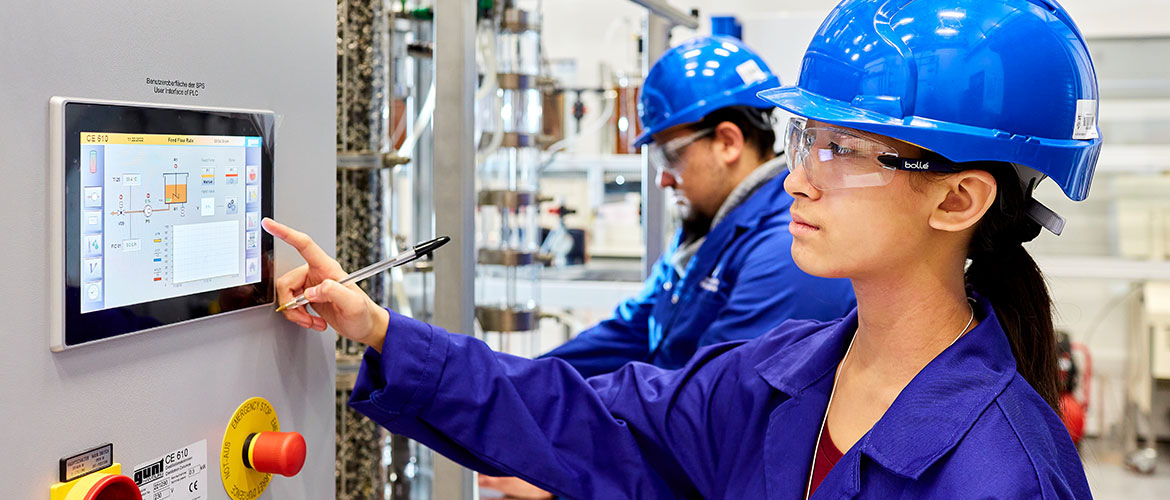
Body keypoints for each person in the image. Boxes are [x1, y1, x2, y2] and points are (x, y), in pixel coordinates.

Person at [267, 0, 1099, 497]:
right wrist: (379, 329)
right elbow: (582, 416)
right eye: (806, 139)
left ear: (958, 199)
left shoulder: (1008, 470)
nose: (797, 181)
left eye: (841, 150)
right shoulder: (780, 377)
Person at [540, 35, 854, 380]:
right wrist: (522, 382)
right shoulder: (706, 226)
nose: (662, 180)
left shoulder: (785, 248)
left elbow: (712, 397)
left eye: (669, 156)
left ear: (727, 142)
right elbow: (631, 330)